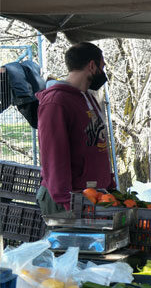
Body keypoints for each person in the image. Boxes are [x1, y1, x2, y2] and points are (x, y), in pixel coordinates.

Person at [36, 42, 116, 214]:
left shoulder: (87, 97)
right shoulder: (56, 102)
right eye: (102, 67)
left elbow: (97, 143)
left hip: (91, 197)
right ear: (92, 66)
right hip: (68, 200)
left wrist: (109, 184)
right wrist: (67, 201)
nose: (103, 73)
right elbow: (53, 155)